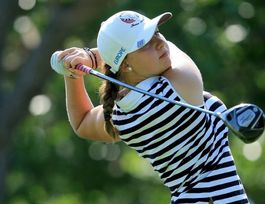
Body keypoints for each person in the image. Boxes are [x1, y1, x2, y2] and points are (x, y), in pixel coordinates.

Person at [52, 10, 249, 204]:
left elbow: (82, 122)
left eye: (155, 33)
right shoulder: (179, 85)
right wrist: (94, 57)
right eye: (144, 43)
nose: (159, 43)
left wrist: (72, 74)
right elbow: (173, 47)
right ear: (125, 65)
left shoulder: (122, 114)